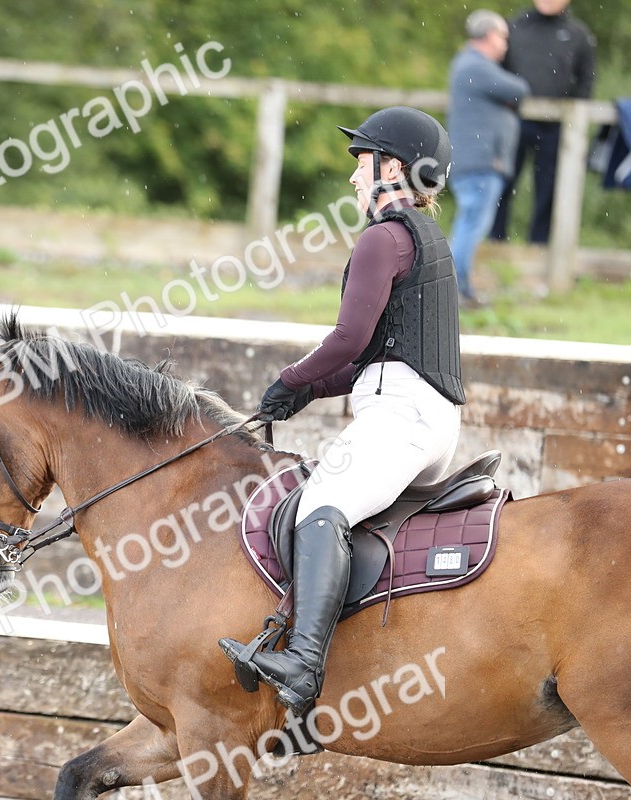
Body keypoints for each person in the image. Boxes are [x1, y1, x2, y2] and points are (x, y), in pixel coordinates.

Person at [219, 107, 466, 717]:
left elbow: (349, 338)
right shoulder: (424, 237)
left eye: (362, 165)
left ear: (393, 167)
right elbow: (377, 357)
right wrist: (306, 392)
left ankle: (302, 663)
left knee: (318, 507)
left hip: (401, 419)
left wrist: (289, 375)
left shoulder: (383, 237)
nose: (355, 180)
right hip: (424, 417)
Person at [489, 0, 597, 244]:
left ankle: (540, 248)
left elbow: (586, 82)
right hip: (512, 123)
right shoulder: (513, 27)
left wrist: (572, 121)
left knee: (549, 192)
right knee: (501, 184)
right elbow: (495, 73)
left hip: (557, 128)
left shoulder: (579, 35)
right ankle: (493, 244)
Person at [448, 10, 530, 305]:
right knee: (471, 224)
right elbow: (519, 89)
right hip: (479, 164)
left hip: (478, 163)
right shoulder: (476, 67)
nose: (506, 44)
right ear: (487, 35)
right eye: (502, 36)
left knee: (470, 222)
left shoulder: (470, 66)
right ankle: (455, 287)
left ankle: (456, 286)